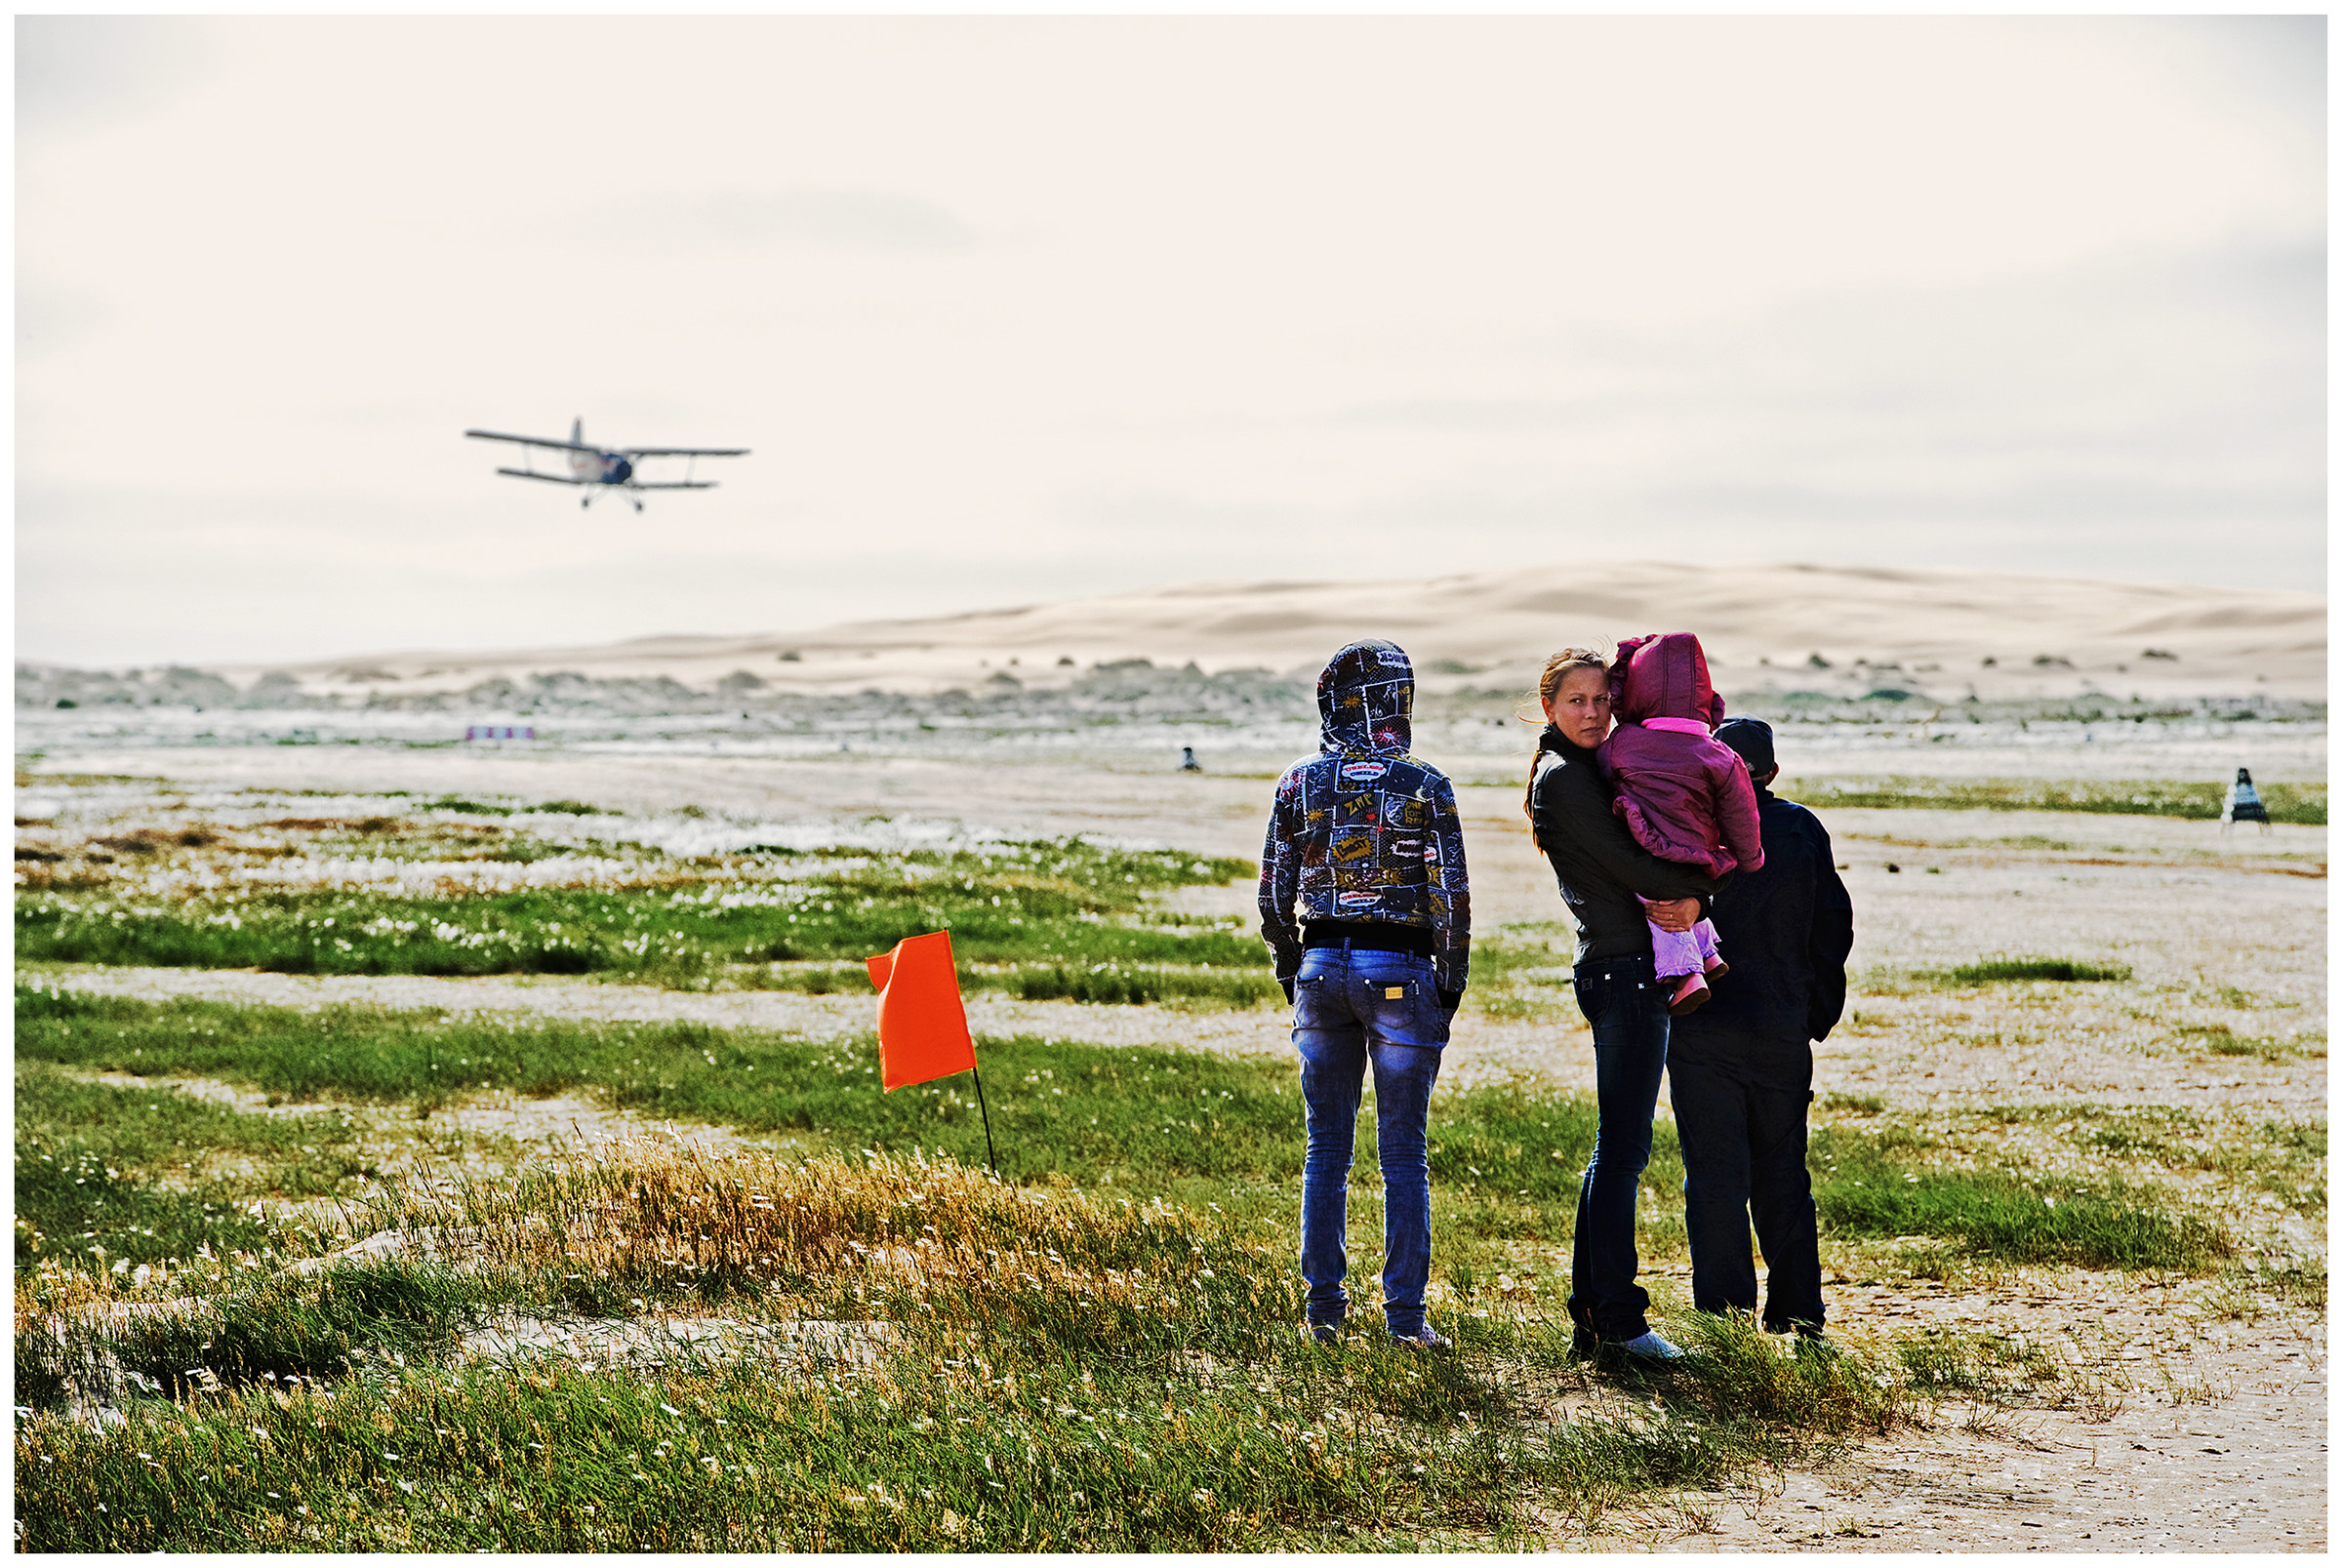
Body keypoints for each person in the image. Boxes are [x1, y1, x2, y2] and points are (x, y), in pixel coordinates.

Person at [1260, 639, 1471, 1349]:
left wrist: (1295, 966)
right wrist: (1450, 980)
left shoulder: (1298, 783)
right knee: (1403, 1150)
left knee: (1327, 1148)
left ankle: (1324, 1314)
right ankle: (1405, 1322)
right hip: (1401, 967)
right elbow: (1453, 896)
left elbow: (1271, 894)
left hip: (1320, 966)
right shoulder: (1425, 783)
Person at [1525, 647, 1720, 1361]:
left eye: (1603, 699)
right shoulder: (1563, 783)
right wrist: (1707, 878)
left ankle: (1598, 1317)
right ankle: (1617, 1319)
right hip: (1623, 971)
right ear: (1548, 706)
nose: (1592, 712)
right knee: (1623, 1151)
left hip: (1628, 968)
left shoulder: (1585, 772)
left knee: (1619, 1149)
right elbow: (1633, 866)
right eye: (1576, 700)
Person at [1666, 717, 1853, 1338]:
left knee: (1715, 1176)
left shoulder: (1687, 832)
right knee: (1782, 1172)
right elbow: (1834, 927)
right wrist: (1812, 1013)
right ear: (1772, 773)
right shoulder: (1799, 829)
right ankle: (1799, 1313)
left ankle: (1723, 1321)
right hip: (1779, 1027)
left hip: (1702, 1028)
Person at [1597, 633, 1765, 1016]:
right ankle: (1707, 952)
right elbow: (1741, 812)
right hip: (1701, 851)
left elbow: (1602, 774)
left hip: (1650, 845)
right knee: (1685, 901)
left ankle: (1686, 974)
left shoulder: (1623, 742)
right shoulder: (1719, 753)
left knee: (1659, 907)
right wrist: (1750, 856)